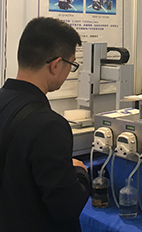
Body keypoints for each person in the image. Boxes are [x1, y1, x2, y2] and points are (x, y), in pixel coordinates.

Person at [0, 17, 90, 232]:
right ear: (56, 65)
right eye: (72, 65)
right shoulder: (49, 125)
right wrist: (79, 173)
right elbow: (67, 208)